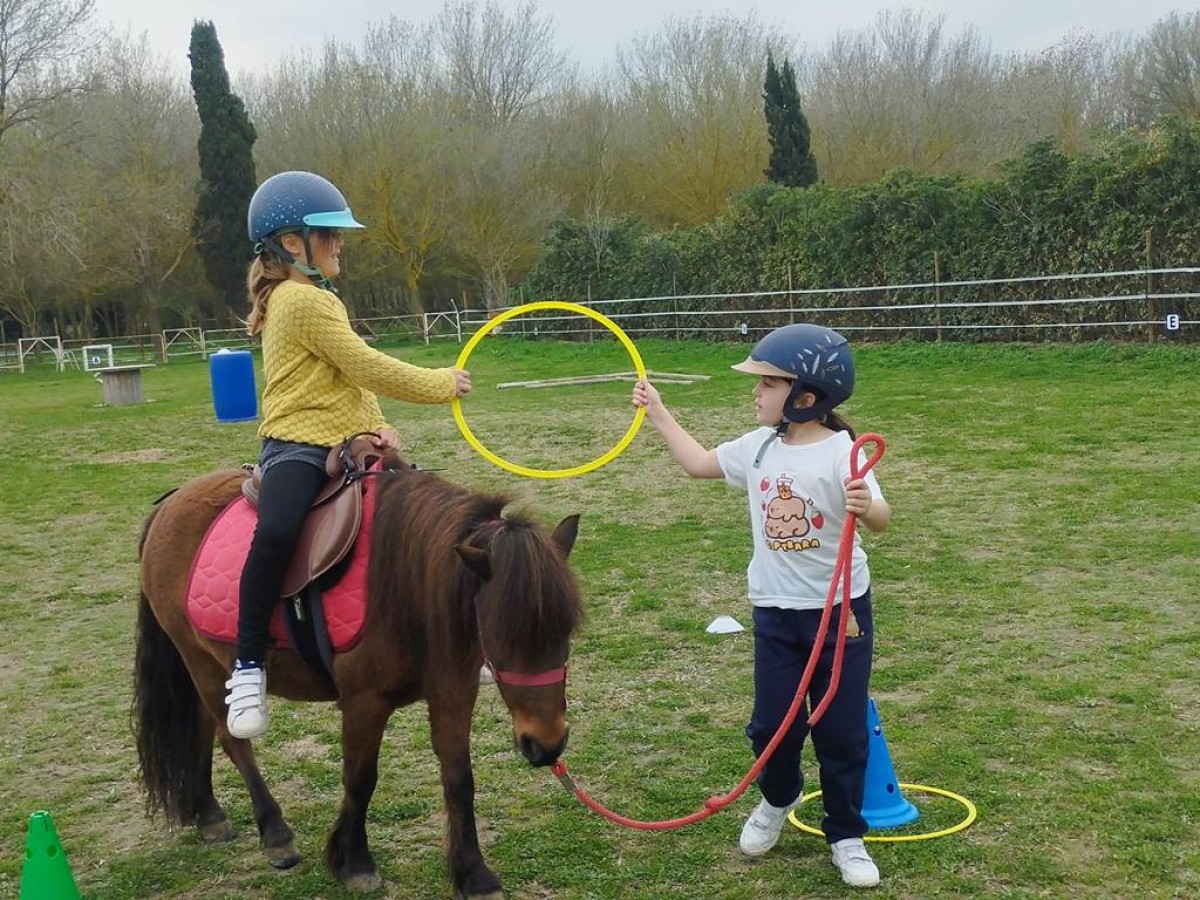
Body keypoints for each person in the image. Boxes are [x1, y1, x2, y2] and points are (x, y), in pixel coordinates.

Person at [631, 324, 891, 888]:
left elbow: (882, 518)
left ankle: (846, 833)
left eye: (766, 383)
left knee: (842, 731)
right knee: (771, 725)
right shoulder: (759, 447)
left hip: (840, 614)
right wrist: (657, 412)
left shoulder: (843, 453)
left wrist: (865, 503)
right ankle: (779, 797)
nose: (754, 393)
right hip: (775, 612)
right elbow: (698, 463)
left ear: (805, 396)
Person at [225, 170, 472, 740]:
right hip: (297, 443)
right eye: (329, 235)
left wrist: (377, 424)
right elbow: (366, 364)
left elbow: (351, 382)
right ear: (292, 244)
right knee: (278, 533)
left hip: (348, 441)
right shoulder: (300, 300)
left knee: (426, 517)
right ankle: (247, 665)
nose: (340, 244)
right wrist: (440, 384)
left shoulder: (320, 297)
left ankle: (451, 634)